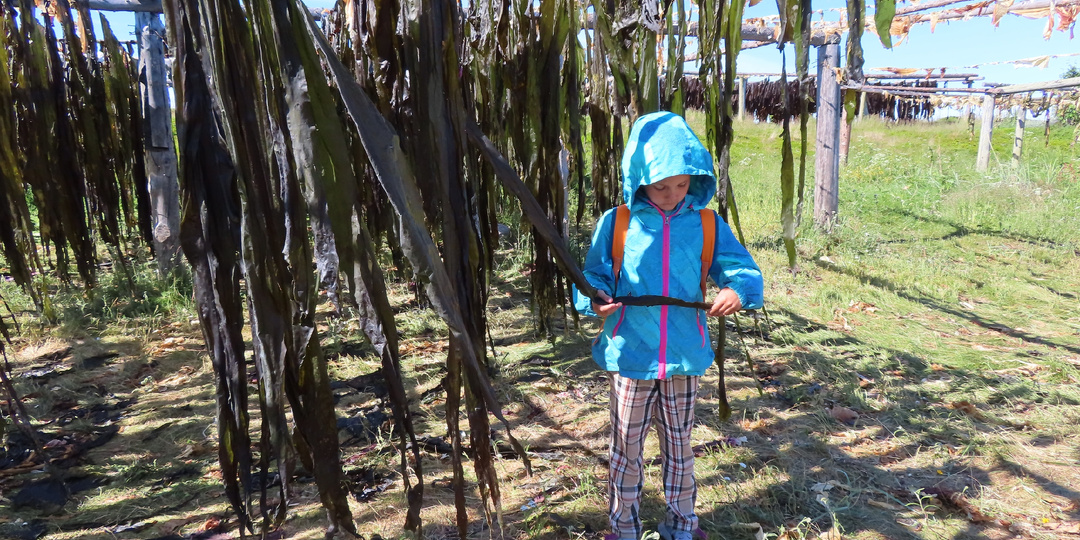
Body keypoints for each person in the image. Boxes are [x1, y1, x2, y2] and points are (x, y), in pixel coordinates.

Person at [574, 111, 764, 540]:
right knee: (625, 449)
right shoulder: (617, 223)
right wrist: (594, 299)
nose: (673, 194)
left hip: (684, 355)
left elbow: (740, 268)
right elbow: (595, 275)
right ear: (639, 176)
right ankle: (623, 529)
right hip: (631, 354)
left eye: (682, 185)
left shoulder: (706, 223)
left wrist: (738, 290)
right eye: (661, 186)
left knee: (680, 448)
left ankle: (683, 526)